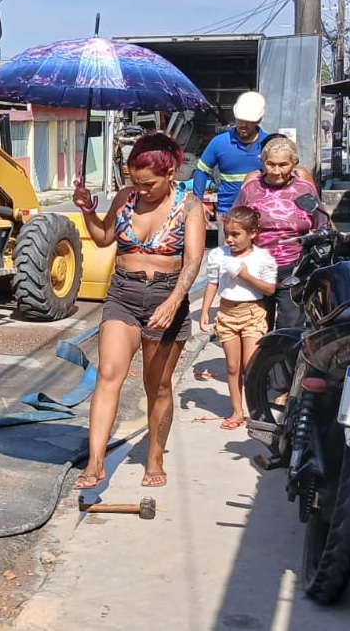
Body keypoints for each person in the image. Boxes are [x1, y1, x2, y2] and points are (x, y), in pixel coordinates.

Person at [72, 133, 207, 490]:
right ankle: (95, 462)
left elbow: (194, 260)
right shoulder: (125, 198)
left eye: (149, 184)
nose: (142, 190)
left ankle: (155, 458)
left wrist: (174, 301)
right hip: (123, 295)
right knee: (108, 374)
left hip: (167, 296)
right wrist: (87, 209)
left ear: (170, 174)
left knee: (157, 385)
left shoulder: (190, 206)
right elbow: (103, 237)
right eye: (136, 182)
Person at [235, 135, 328, 331]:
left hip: (294, 269)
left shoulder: (304, 189)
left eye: (283, 165)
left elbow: (322, 224)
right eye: (271, 164)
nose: (276, 171)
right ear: (263, 162)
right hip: (257, 269)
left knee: (290, 328)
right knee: (257, 327)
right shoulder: (251, 188)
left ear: (294, 164)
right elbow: (234, 225)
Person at [198, 205, 277, 429]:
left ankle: (256, 408)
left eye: (235, 234)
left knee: (250, 365)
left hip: (253, 314)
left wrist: (246, 276)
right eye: (227, 234)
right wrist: (205, 310)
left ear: (252, 233)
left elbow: (269, 289)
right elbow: (212, 283)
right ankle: (237, 410)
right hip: (227, 314)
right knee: (232, 367)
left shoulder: (262, 258)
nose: (229, 239)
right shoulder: (218, 255)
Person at [193, 91, 270, 215]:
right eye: (240, 120)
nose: (243, 125)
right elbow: (201, 171)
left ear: (259, 119)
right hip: (228, 214)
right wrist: (198, 203)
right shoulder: (219, 142)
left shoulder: (269, 144)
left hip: (262, 214)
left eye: (249, 121)